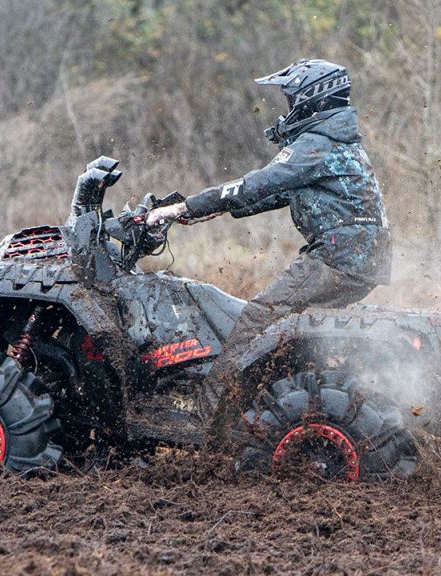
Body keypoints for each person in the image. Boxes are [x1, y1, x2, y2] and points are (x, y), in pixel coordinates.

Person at [145, 59, 392, 447]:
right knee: (281, 330)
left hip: (338, 260)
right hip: (359, 259)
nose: (287, 108)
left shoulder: (316, 144)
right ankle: (267, 398)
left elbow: (258, 183)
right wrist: (203, 212)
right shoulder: (336, 142)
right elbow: (279, 192)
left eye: (291, 99)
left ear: (312, 100)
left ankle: (207, 422)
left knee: (256, 319)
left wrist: (182, 207)